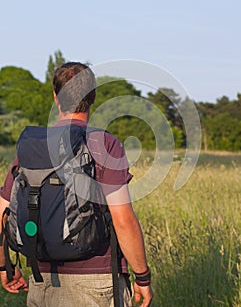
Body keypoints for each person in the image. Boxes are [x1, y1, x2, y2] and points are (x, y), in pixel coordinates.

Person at [0, 62, 152, 307]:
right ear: (92, 96)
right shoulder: (105, 144)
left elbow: (1, 215)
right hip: (94, 284)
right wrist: (142, 276)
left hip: (42, 281)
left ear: (55, 97)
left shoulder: (33, 147)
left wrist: (4, 267)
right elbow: (122, 219)